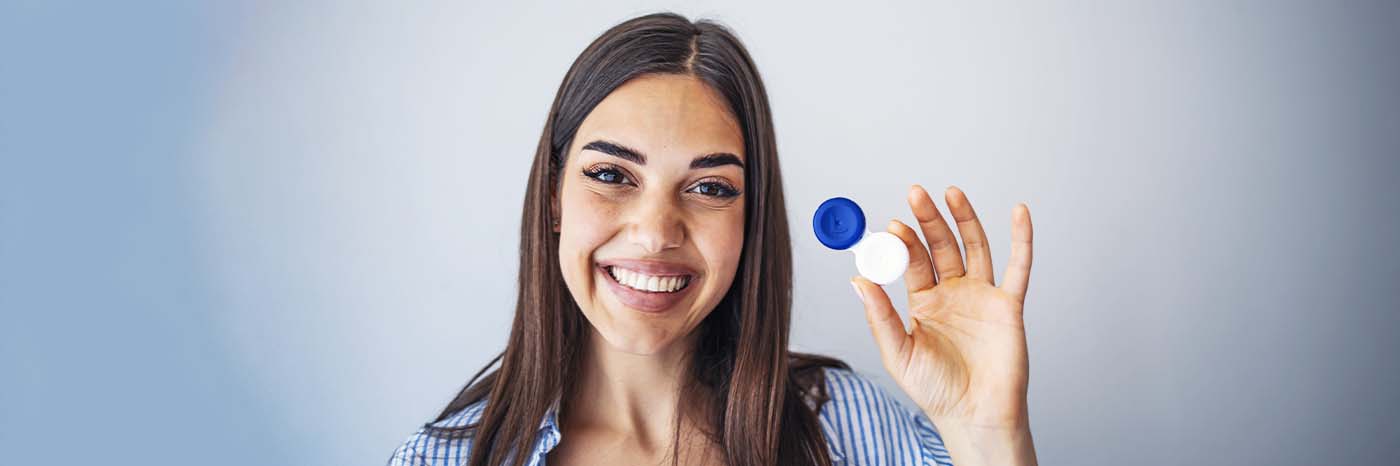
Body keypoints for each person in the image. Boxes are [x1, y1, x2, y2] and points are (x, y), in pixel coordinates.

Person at [388, 12, 1037, 466]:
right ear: (554, 196)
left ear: (751, 217)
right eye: (612, 175)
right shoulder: (436, 460)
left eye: (709, 188)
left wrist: (988, 434)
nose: (653, 233)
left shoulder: (851, 431)